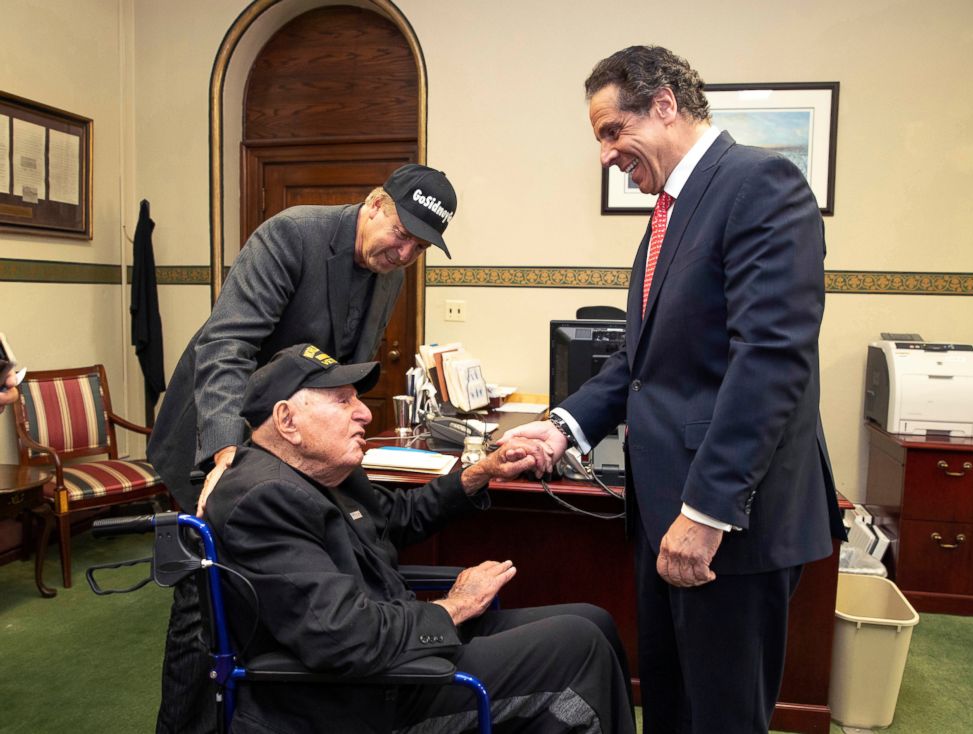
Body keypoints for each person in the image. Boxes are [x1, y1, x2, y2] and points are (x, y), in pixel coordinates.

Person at [505, 46, 845, 734]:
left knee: (720, 716)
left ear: (664, 105)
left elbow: (771, 362)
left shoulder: (759, 184)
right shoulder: (670, 209)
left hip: (727, 522)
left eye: (610, 132)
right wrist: (564, 425)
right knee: (670, 703)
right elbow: (642, 360)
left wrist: (708, 512)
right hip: (666, 512)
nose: (604, 155)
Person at [148, 163, 459, 734]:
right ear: (373, 204)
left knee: (279, 594)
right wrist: (224, 453)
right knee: (205, 607)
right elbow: (227, 345)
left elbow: (342, 364)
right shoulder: (291, 234)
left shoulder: (388, 266)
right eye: (402, 233)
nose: (406, 251)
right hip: (215, 433)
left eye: (421, 244)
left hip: (289, 438)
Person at [204, 343, 636, 733]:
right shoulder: (264, 500)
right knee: (578, 649)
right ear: (286, 420)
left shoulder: (326, 472)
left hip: (395, 649)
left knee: (593, 619)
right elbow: (342, 637)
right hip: (363, 695)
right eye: (343, 402)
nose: (365, 413)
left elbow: (397, 517)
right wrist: (455, 606)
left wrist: (483, 471)